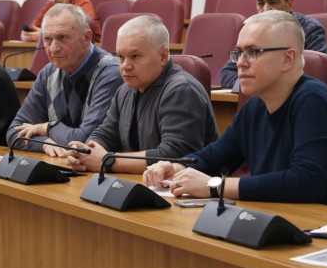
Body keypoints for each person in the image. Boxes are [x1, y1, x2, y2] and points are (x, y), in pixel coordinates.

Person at [144, 10, 327, 215]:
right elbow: (215, 157)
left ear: (287, 58)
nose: (240, 62)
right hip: (292, 220)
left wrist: (215, 186)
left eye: (253, 52)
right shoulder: (256, 106)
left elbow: (306, 181)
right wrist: (176, 168)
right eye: (239, 52)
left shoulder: (314, 101)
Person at [65, 15, 218, 174]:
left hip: (187, 186)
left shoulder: (182, 90)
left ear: (163, 56)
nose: (125, 66)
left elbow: (175, 155)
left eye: (135, 56)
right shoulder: (125, 89)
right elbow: (105, 133)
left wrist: (108, 161)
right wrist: (86, 152)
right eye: (121, 57)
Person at [6, 4, 122, 156]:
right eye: (47, 39)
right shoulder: (48, 72)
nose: (53, 48)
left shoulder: (110, 72)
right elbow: (14, 131)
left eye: (63, 38)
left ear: (86, 37)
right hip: (62, 162)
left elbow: (86, 141)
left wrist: (47, 128)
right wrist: (45, 143)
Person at [219, 0, 327, 88]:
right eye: (260, 3)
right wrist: (253, 85)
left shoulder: (310, 29)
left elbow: (316, 74)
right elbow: (227, 73)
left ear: (290, 4)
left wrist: (266, 86)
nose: (266, 9)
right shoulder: (252, 30)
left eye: (273, 2)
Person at [20, 0, 101, 42]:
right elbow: (34, 27)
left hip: (89, 46)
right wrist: (27, 35)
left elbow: (80, 29)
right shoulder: (51, 4)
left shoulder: (82, 2)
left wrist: (45, 35)